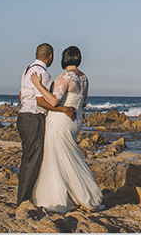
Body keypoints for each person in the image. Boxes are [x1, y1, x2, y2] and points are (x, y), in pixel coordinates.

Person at [29, 45, 103, 213]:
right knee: (67, 155)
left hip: (61, 120)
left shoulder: (66, 76)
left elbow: (54, 101)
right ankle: (75, 193)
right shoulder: (84, 78)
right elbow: (83, 103)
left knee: (56, 156)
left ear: (64, 58)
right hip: (76, 120)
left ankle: (60, 197)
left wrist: (37, 85)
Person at [17, 43, 76, 205]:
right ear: (50, 55)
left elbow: (21, 94)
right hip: (33, 118)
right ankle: (23, 201)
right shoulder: (42, 73)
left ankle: (23, 197)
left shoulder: (27, 70)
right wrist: (65, 109)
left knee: (28, 158)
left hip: (23, 116)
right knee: (33, 161)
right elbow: (41, 101)